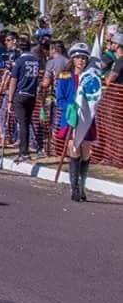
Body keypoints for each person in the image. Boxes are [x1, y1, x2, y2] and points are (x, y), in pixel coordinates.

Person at [56, 43, 97, 201]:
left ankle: (82, 186)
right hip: (71, 118)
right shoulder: (65, 76)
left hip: (87, 119)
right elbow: (60, 99)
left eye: (84, 57)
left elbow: (95, 96)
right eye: (78, 57)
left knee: (86, 152)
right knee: (74, 150)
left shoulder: (91, 76)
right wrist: (71, 107)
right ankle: (74, 189)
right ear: (72, 59)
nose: (81, 60)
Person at [7, 38, 41, 163]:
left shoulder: (19, 61)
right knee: (26, 123)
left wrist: (10, 100)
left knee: (22, 124)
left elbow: (13, 80)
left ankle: (24, 152)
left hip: (20, 94)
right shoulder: (36, 61)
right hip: (32, 95)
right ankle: (26, 150)